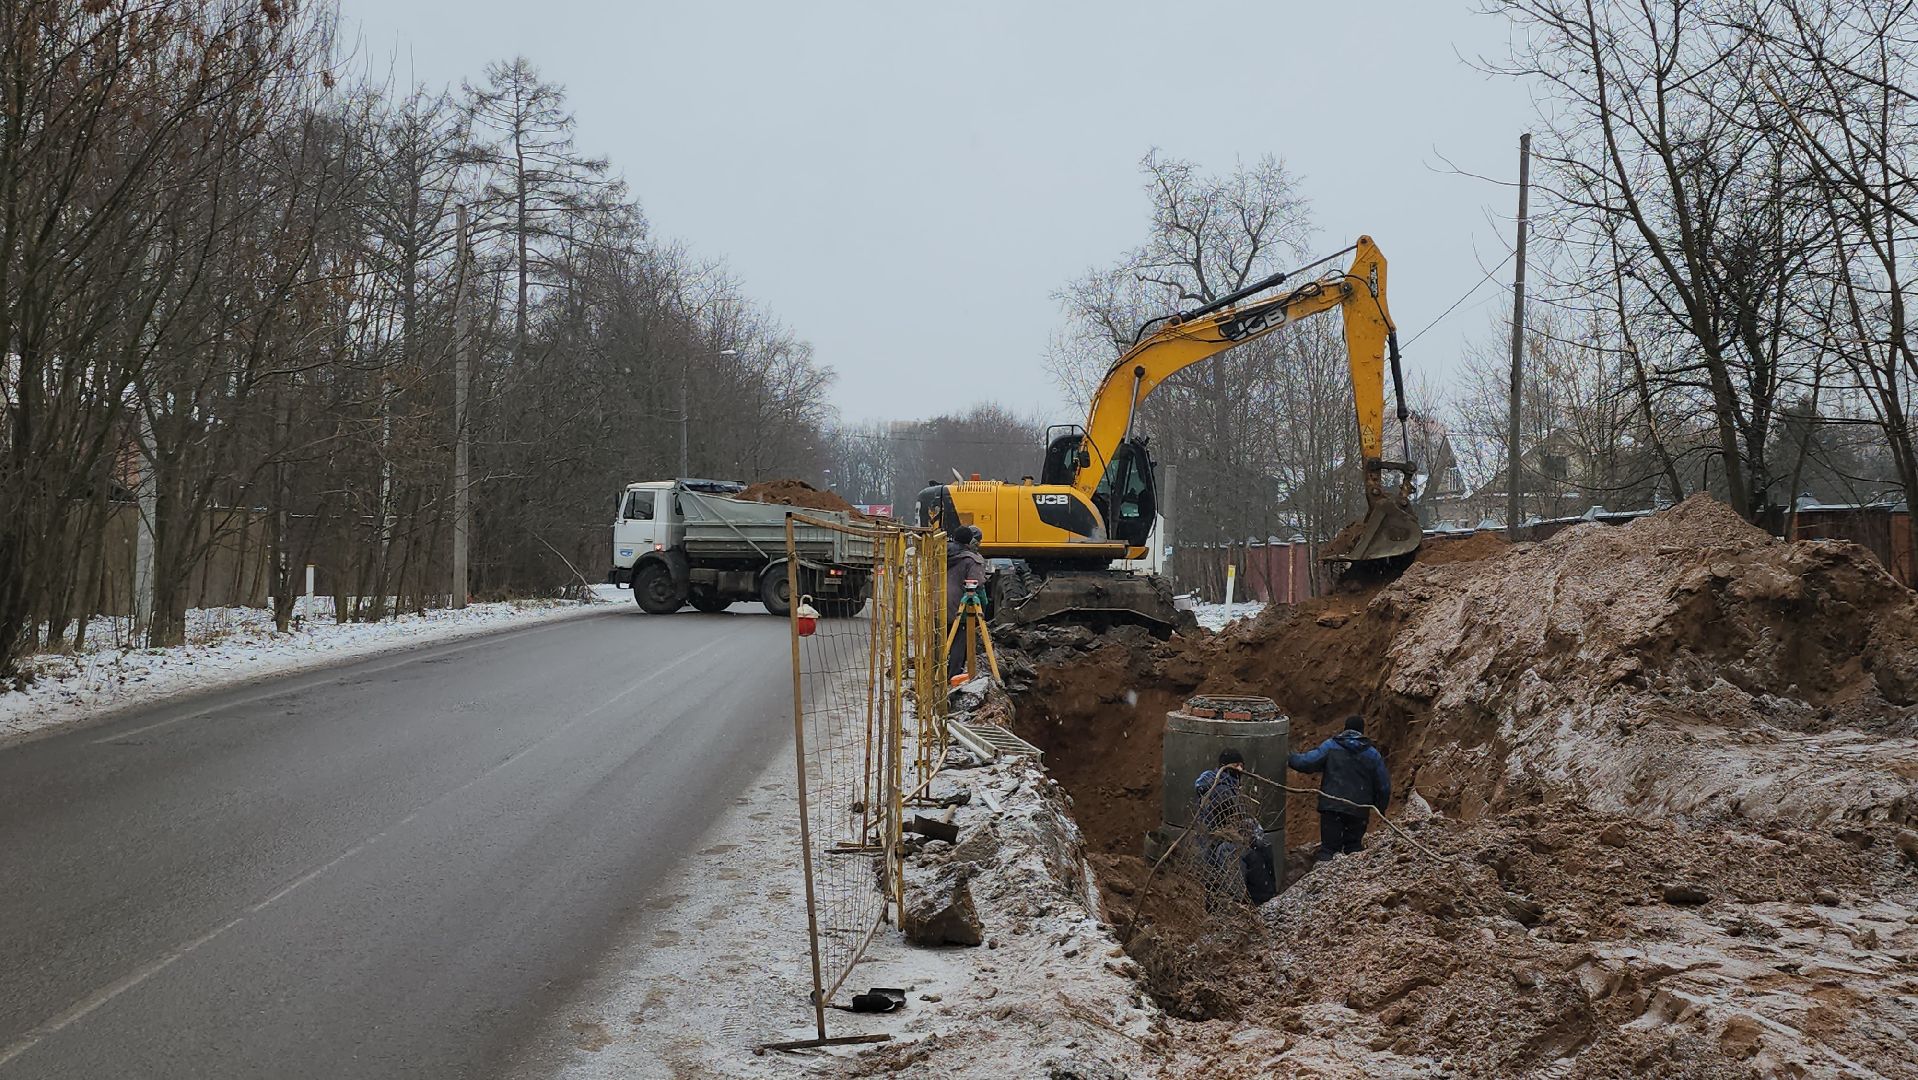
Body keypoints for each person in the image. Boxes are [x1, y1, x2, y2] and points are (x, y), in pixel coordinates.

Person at [1288, 716, 1391, 862]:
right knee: (1354, 850)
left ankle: (1322, 878)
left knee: (1329, 850)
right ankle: (1352, 881)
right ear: (1362, 731)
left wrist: (1290, 758)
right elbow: (1383, 785)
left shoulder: (1331, 746)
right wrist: (1381, 807)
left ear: (1345, 728)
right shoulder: (1372, 754)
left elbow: (1307, 762)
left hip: (1332, 807)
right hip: (1358, 810)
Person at [1192, 750, 1278, 904]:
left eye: (1241, 765)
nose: (1240, 769)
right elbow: (1228, 817)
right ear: (1224, 767)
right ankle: (1250, 903)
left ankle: (1248, 902)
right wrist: (1249, 831)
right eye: (1236, 765)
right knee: (1255, 856)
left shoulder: (1221, 785)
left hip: (1213, 846)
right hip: (1219, 845)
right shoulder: (1222, 789)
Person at [945, 526, 989, 677]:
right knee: (959, 641)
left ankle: (934, 675)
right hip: (958, 606)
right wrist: (983, 608)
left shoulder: (938, 552)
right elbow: (977, 586)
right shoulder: (971, 560)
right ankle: (954, 676)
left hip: (936, 604)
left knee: (940, 641)